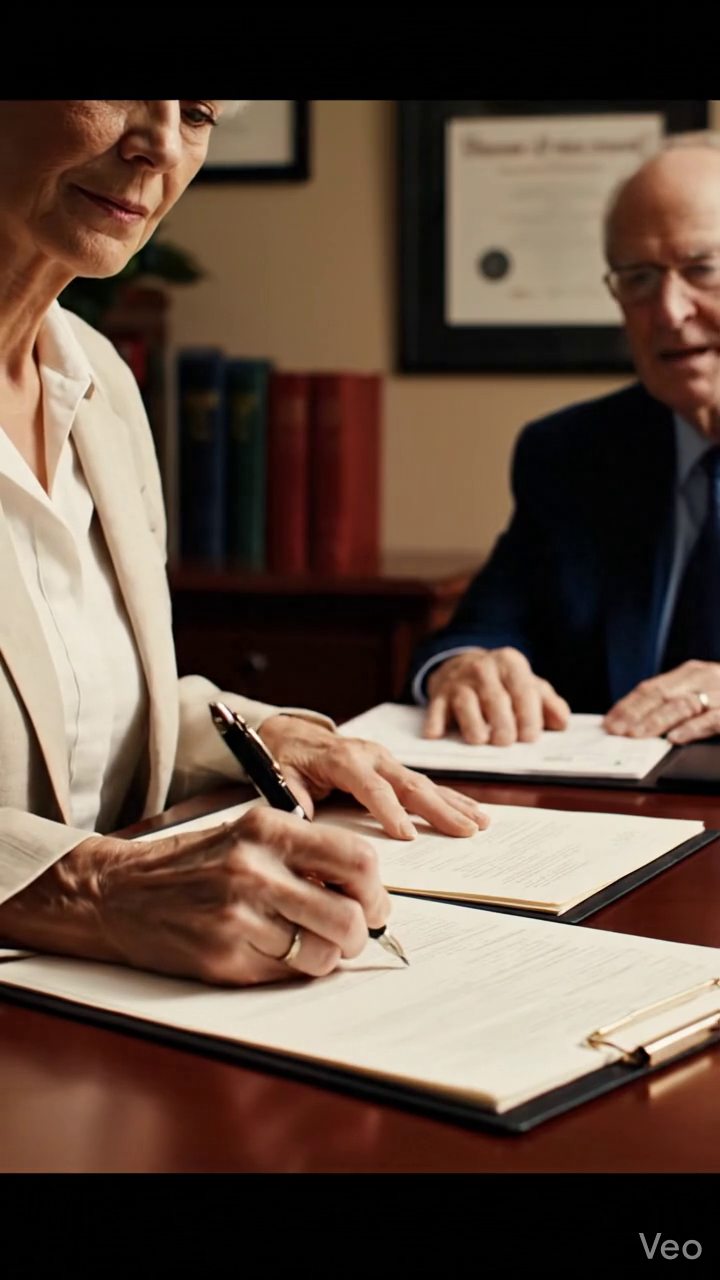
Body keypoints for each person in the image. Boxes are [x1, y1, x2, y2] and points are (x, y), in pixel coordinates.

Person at [0, 101, 487, 988]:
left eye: (197, 112)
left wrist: (264, 733)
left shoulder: (101, 379)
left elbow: (79, 711)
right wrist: (91, 889)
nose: (160, 146)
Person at [407, 131, 720, 752]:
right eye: (637, 278)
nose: (669, 310)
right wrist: (465, 667)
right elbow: (481, 629)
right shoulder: (570, 453)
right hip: (596, 803)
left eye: (703, 269)